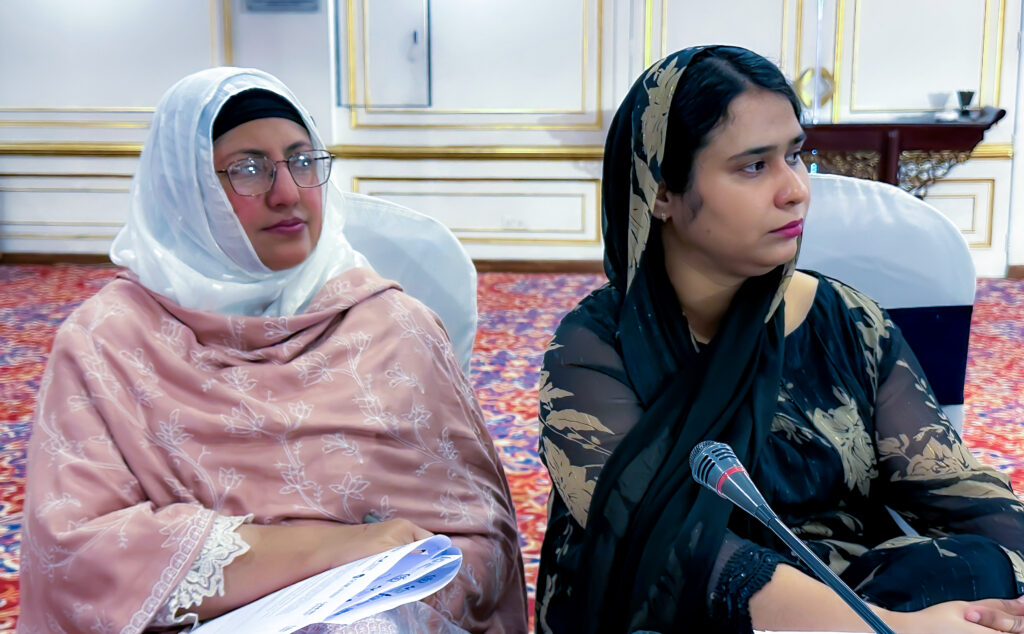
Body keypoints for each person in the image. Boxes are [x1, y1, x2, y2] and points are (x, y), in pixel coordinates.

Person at [535, 46, 1024, 634]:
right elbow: (666, 547)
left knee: (974, 570)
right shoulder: (594, 351)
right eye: (753, 166)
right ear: (661, 190)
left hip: (851, 588)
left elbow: (952, 485)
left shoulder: (847, 322)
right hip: (685, 607)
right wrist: (890, 627)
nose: (795, 189)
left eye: (794, 155)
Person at [20, 67, 526, 633]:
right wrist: (331, 550)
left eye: (302, 161)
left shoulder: (394, 327)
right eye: (249, 169)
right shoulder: (109, 340)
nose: (287, 193)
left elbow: (480, 536)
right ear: (187, 190)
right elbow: (79, 549)